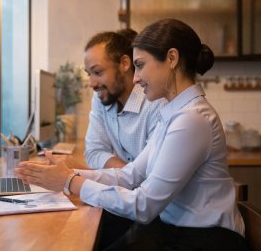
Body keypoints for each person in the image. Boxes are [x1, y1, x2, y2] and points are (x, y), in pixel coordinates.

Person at [15, 18, 247, 251]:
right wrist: (67, 174)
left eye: (140, 65)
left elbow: (143, 206)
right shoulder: (175, 113)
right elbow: (131, 175)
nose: (135, 78)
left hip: (207, 240)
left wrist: (69, 182)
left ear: (172, 59)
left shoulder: (192, 120)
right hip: (175, 230)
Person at [83, 29, 166, 169]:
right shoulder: (102, 96)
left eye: (97, 72)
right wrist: (127, 174)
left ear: (124, 64)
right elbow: (94, 152)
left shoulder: (156, 103)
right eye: (89, 74)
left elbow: (153, 172)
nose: (92, 84)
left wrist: (126, 176)